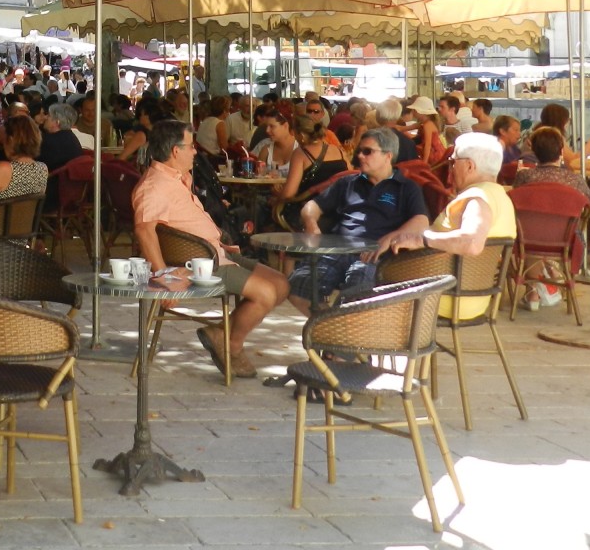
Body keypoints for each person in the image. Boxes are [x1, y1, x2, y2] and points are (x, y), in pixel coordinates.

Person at [131, 120, 288, 378]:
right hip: (198, 264)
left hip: (215, 253)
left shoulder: (177, 178)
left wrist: (218, 241)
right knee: (267, 293)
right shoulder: (154, 186)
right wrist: (163, 279)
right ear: (175, 151)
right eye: (191, 147)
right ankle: (232, 344)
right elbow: (144, 231)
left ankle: (221, 334)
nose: (196, 152)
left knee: (281, 283)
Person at [291, 126, 430, 313]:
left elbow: (421, 221)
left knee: (356, 297)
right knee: (296, 286)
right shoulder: (348, 183)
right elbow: (312, 206)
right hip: (336, 250)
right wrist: (311, 223)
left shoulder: (405, 187)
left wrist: (390, 237)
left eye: (368, 152)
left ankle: (336, 329)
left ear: (388, 155)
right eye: (359, 151)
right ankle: (328, 329)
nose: (360, 156)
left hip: (372, 256)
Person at [385, 133, 516, 320]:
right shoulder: (501, 196)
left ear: (470, 166)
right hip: (473, 299)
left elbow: (471, 242)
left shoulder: (478, 198)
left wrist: (421, 239)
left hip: (443, 298)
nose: (451, 169)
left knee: (367, 276)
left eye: (453, 162)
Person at [271, 113, 350, 222]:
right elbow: (350, 175)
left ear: (302, 135)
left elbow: (289, 193)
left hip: (310, 211)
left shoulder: (301, 154)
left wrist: (277, 195)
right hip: (339, 210)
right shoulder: (338, 150)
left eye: (295, 133)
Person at [512, 127, 590, 201]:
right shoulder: (575, 179)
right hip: (566, 215)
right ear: (561, 151)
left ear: (534, 152)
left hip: (532, 215)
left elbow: (515, 199)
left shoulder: (524, 176)